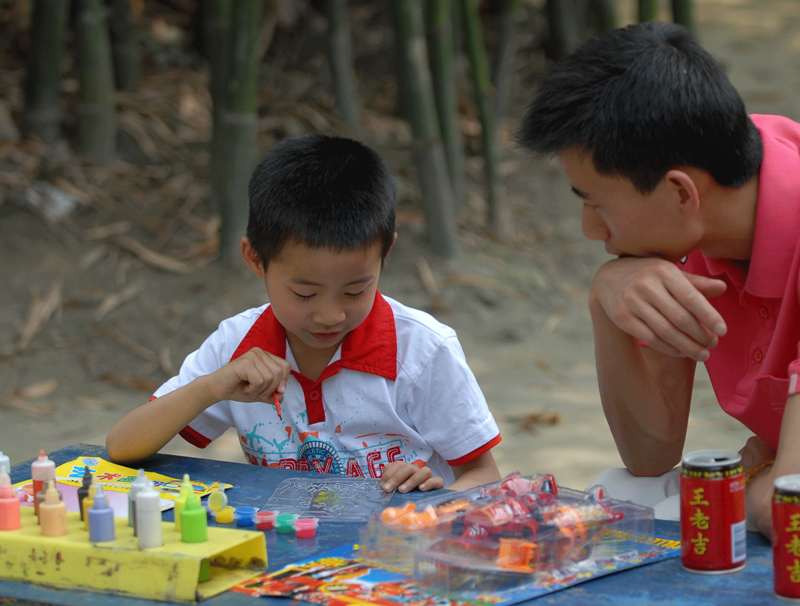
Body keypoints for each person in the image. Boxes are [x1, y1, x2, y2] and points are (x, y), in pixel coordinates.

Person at [515, 21, 800, 538]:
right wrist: (605, 299)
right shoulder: (694, 227)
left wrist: (759, 476)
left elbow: (789, 511)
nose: (588, 229)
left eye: (596, 204)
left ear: (681, 193)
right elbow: (650, 453)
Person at [106, 134, 502, 493]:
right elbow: (121, 447)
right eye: (304, 292)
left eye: (355, 290)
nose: (329, 315)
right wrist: (212, 387)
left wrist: (429, 501)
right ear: (255, 259)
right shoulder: (237, 347)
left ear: (386, 255)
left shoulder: (422, 351)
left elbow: (484, 476)